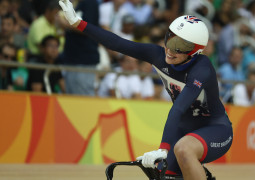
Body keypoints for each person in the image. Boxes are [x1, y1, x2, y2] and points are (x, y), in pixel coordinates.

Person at [59, 1, 233, 179]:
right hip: (185, 130)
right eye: (170, 39)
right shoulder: (157, 55)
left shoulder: (202, 69)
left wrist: (163, 149)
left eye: (181, 46)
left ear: (195, 52)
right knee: (163, 174)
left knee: (183, 149)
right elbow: (118, 43)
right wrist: (79, 24)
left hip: (215, 129)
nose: (171, 50)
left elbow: (179, 108)